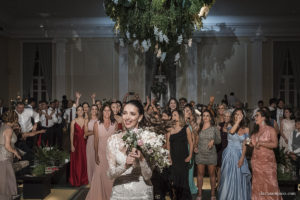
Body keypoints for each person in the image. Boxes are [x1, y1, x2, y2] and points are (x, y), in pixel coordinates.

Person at [107, 100, 153, 199]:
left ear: (140, 117)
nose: (127, 117)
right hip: (119, 194)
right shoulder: (113, 140)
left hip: (142, 194)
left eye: (132, 114)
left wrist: (141, 159)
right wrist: (125, 165)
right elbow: (111, 174)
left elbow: (148, 176)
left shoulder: (149, 139)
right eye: (124, 113)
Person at [218, 108, 251, 200]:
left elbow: (246, 144)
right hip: (229, 154)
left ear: (243, 116)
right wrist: (238, 122)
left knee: (240, 179)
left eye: (240, 114)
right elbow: (232, 132)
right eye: (236, 114)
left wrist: (242, 158)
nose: (238, 116)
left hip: (240, 154)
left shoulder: (246, 129)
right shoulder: (229, 125)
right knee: (228, 178)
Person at [86, 104, 117, 200]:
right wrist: (96, 154)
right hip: (100, 153)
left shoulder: (114, 123)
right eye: (105, 110)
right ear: (102, 112)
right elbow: (95, 141)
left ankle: (110, 196)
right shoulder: (97, 124)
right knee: (99, 174)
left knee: (110, 176)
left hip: (111, 153)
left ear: (111, 112)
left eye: (108, 110)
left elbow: (115, 140)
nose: (107, 112)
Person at [249, 109, 282, 200]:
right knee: (258, 184)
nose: (255, 117)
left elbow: (275, 144)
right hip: (256, 161)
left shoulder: (270, 129)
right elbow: (253, 144)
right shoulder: (255, 131)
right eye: (255, 116)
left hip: (268, 162)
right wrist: (248, 143)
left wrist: (262, 143)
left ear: (263, 117)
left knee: (270, 183)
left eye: (257, 115)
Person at [166, 110, 193, 200]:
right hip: (174, 159)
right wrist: (169, 157)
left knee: (184, 182)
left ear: (179, 116)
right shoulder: (169, 129)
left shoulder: (186, 128)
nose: (173, 117)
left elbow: (191, 143)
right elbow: (168, 145)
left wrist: (190, 156)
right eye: (172, 115)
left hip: (183, 159)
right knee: (175, 182)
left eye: (175, 115)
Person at [194, 110, 221, 200]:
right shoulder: (199, 127)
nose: (205, 117)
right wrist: (195, 147)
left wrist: (213, 141)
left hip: (211, 155)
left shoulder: (214, 128)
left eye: (207, 115)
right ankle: (199, 193)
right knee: (200, 174)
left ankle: (213, 194)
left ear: (210, 117)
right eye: (204, 115)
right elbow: (195, 140)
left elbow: (219, 140)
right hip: (200, 154)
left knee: (212, 174)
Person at [0, 111, 21, 200]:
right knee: (6, 180)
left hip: (3, 156)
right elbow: (7, 146)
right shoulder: (8, 129)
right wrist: (15, 152)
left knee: (6, 179)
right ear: (14, 119)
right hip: (4, 157)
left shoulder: (3, 126)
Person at [69, 105, 88, 186]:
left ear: (83, 111)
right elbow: (71, 133)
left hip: (84, 143)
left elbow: (87, 132)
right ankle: (76, 179)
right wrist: (72, 145)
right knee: (77, 162)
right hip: (76, 144)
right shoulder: (73, 121)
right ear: (76, 112)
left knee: (84, 161)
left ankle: (84, 179)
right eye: (78, 110)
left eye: (81, 110)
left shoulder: (86, 120)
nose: (80, 111)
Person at [183, 104, 198, 195]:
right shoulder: (180, 123)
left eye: (189, 111)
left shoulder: (191, 124)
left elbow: (194, 138)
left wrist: (195, 147)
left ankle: (190, 187)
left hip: (189, 148)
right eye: (186, 110)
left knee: (190, 170)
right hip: (182, 148)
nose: (188, 112)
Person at [84, 104, 98, 183]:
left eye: (96, 109)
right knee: (90, 161)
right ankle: (91, 181)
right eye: (93, 109)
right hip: (90, 142)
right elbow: (85, 133)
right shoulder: (87, 120)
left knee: (98, 161)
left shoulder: (100, 119)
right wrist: (94, 131)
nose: (94, 110)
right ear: (90, 110)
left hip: (99, 141)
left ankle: (98, 180)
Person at [216, 110, 230, 186]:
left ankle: (227, 185)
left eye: (228, 116)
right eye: (225, 116)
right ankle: (219, 184)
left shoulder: (232, 126)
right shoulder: (219, 125)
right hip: (220, 148)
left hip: (229, 148)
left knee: (228, 167)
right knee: (219, 167)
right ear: (223, 117)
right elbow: (215, 136)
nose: (226, 118)